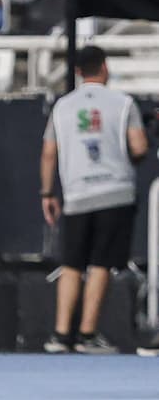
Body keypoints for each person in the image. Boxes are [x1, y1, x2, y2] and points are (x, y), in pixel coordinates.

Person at [40, 46, 148, 354]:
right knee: (101, 262)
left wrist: (47, 193)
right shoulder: (123, 103)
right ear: (104, 67)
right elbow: (139, 146)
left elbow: (49, 153)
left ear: (77, 72)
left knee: (72, 263)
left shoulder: (62, 107)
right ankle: (87, 334)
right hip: (115, 192)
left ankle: (61, 334)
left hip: (76, 193)